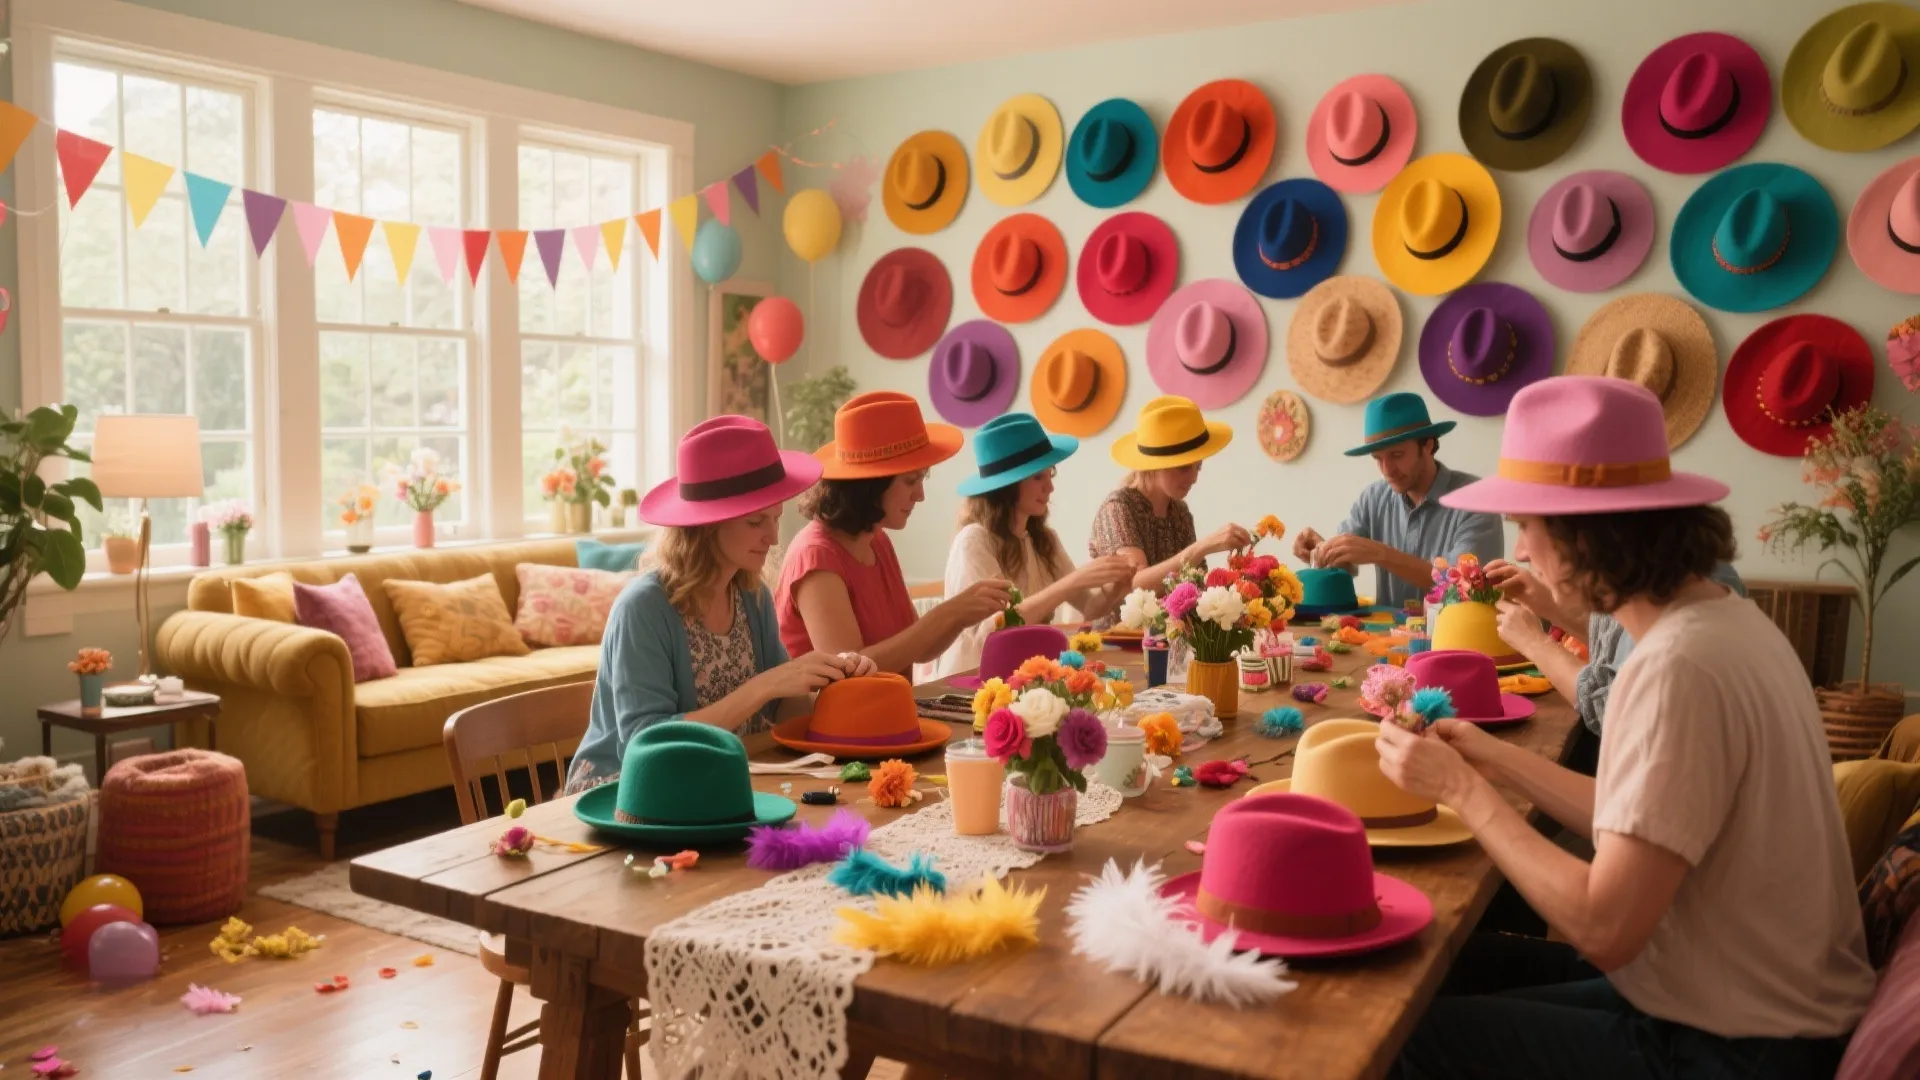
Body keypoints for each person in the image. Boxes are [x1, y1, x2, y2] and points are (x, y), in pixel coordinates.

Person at [1377, 377, 1873, 1080]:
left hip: (1736, 1046)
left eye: (1528, 525)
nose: (1521, 550)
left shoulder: (1677, 668)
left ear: (1585, 534)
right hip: (1737, 1002)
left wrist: (1464, 790)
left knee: (1398, 1040)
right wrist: (1493, 758)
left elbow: (1605, 928)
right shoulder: (1722, 621)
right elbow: (1628, 818)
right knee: (1438, 960)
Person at [565, 416, 878, 795]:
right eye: (755, 522)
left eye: (776, 518)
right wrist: (764, 686)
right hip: (625, 793)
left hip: (711, 781)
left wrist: (837, 686)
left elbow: (784, 709)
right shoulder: (644, 608)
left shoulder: (750, 595)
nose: (773, 536)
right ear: (706, 525)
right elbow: (644, 747)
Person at [776, 391, 1012, 677]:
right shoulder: (815, 555)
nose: (920, 495)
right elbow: (851, 671)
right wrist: (950, 612)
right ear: (870, 485)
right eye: (911, 481)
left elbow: (920, 648)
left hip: (888, 714)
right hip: (833, 721)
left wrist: (963, 614)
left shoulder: (877, 540)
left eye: (922, 479)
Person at [932, 413, 1134, 679]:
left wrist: (1116, 585)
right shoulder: (974, 541)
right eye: (1038, 477)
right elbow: (996, 632)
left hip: (1024, 677)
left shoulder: (1043, 539)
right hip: (970, 683)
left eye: (1050, 474)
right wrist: (1072, 582)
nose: (1050, 487)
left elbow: (1091, 608)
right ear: (1007, 485)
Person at [1487, 556, 1748, 736]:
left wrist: (1535, 643)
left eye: (1527, 525)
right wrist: (1548, 606)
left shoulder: (1672, 587)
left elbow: (1615, 713)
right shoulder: (1666, 567)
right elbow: (1625, 646)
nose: (1521, 551)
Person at [1294, 391, 1502, 612]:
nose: (1387, 470)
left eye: (1396, 455)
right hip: (1382, 642)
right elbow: (1345, 566)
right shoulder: (1372, 498)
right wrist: (1322, 551)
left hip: (1457, 640)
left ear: (1428, 446)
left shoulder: (1476, 500)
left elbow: (1461, 587)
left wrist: (1382, 554)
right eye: (1377, 458)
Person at [1089, 395, 1252, 600]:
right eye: (1183, 467)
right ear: (1154, 464)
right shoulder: (1118, 508)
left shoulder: (1180, 512)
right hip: (1119, 632)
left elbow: (1195, 586)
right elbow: (1133, 586)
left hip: (1168, 632)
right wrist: (1202, 548)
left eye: (1198, 466)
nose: (1194, 478)